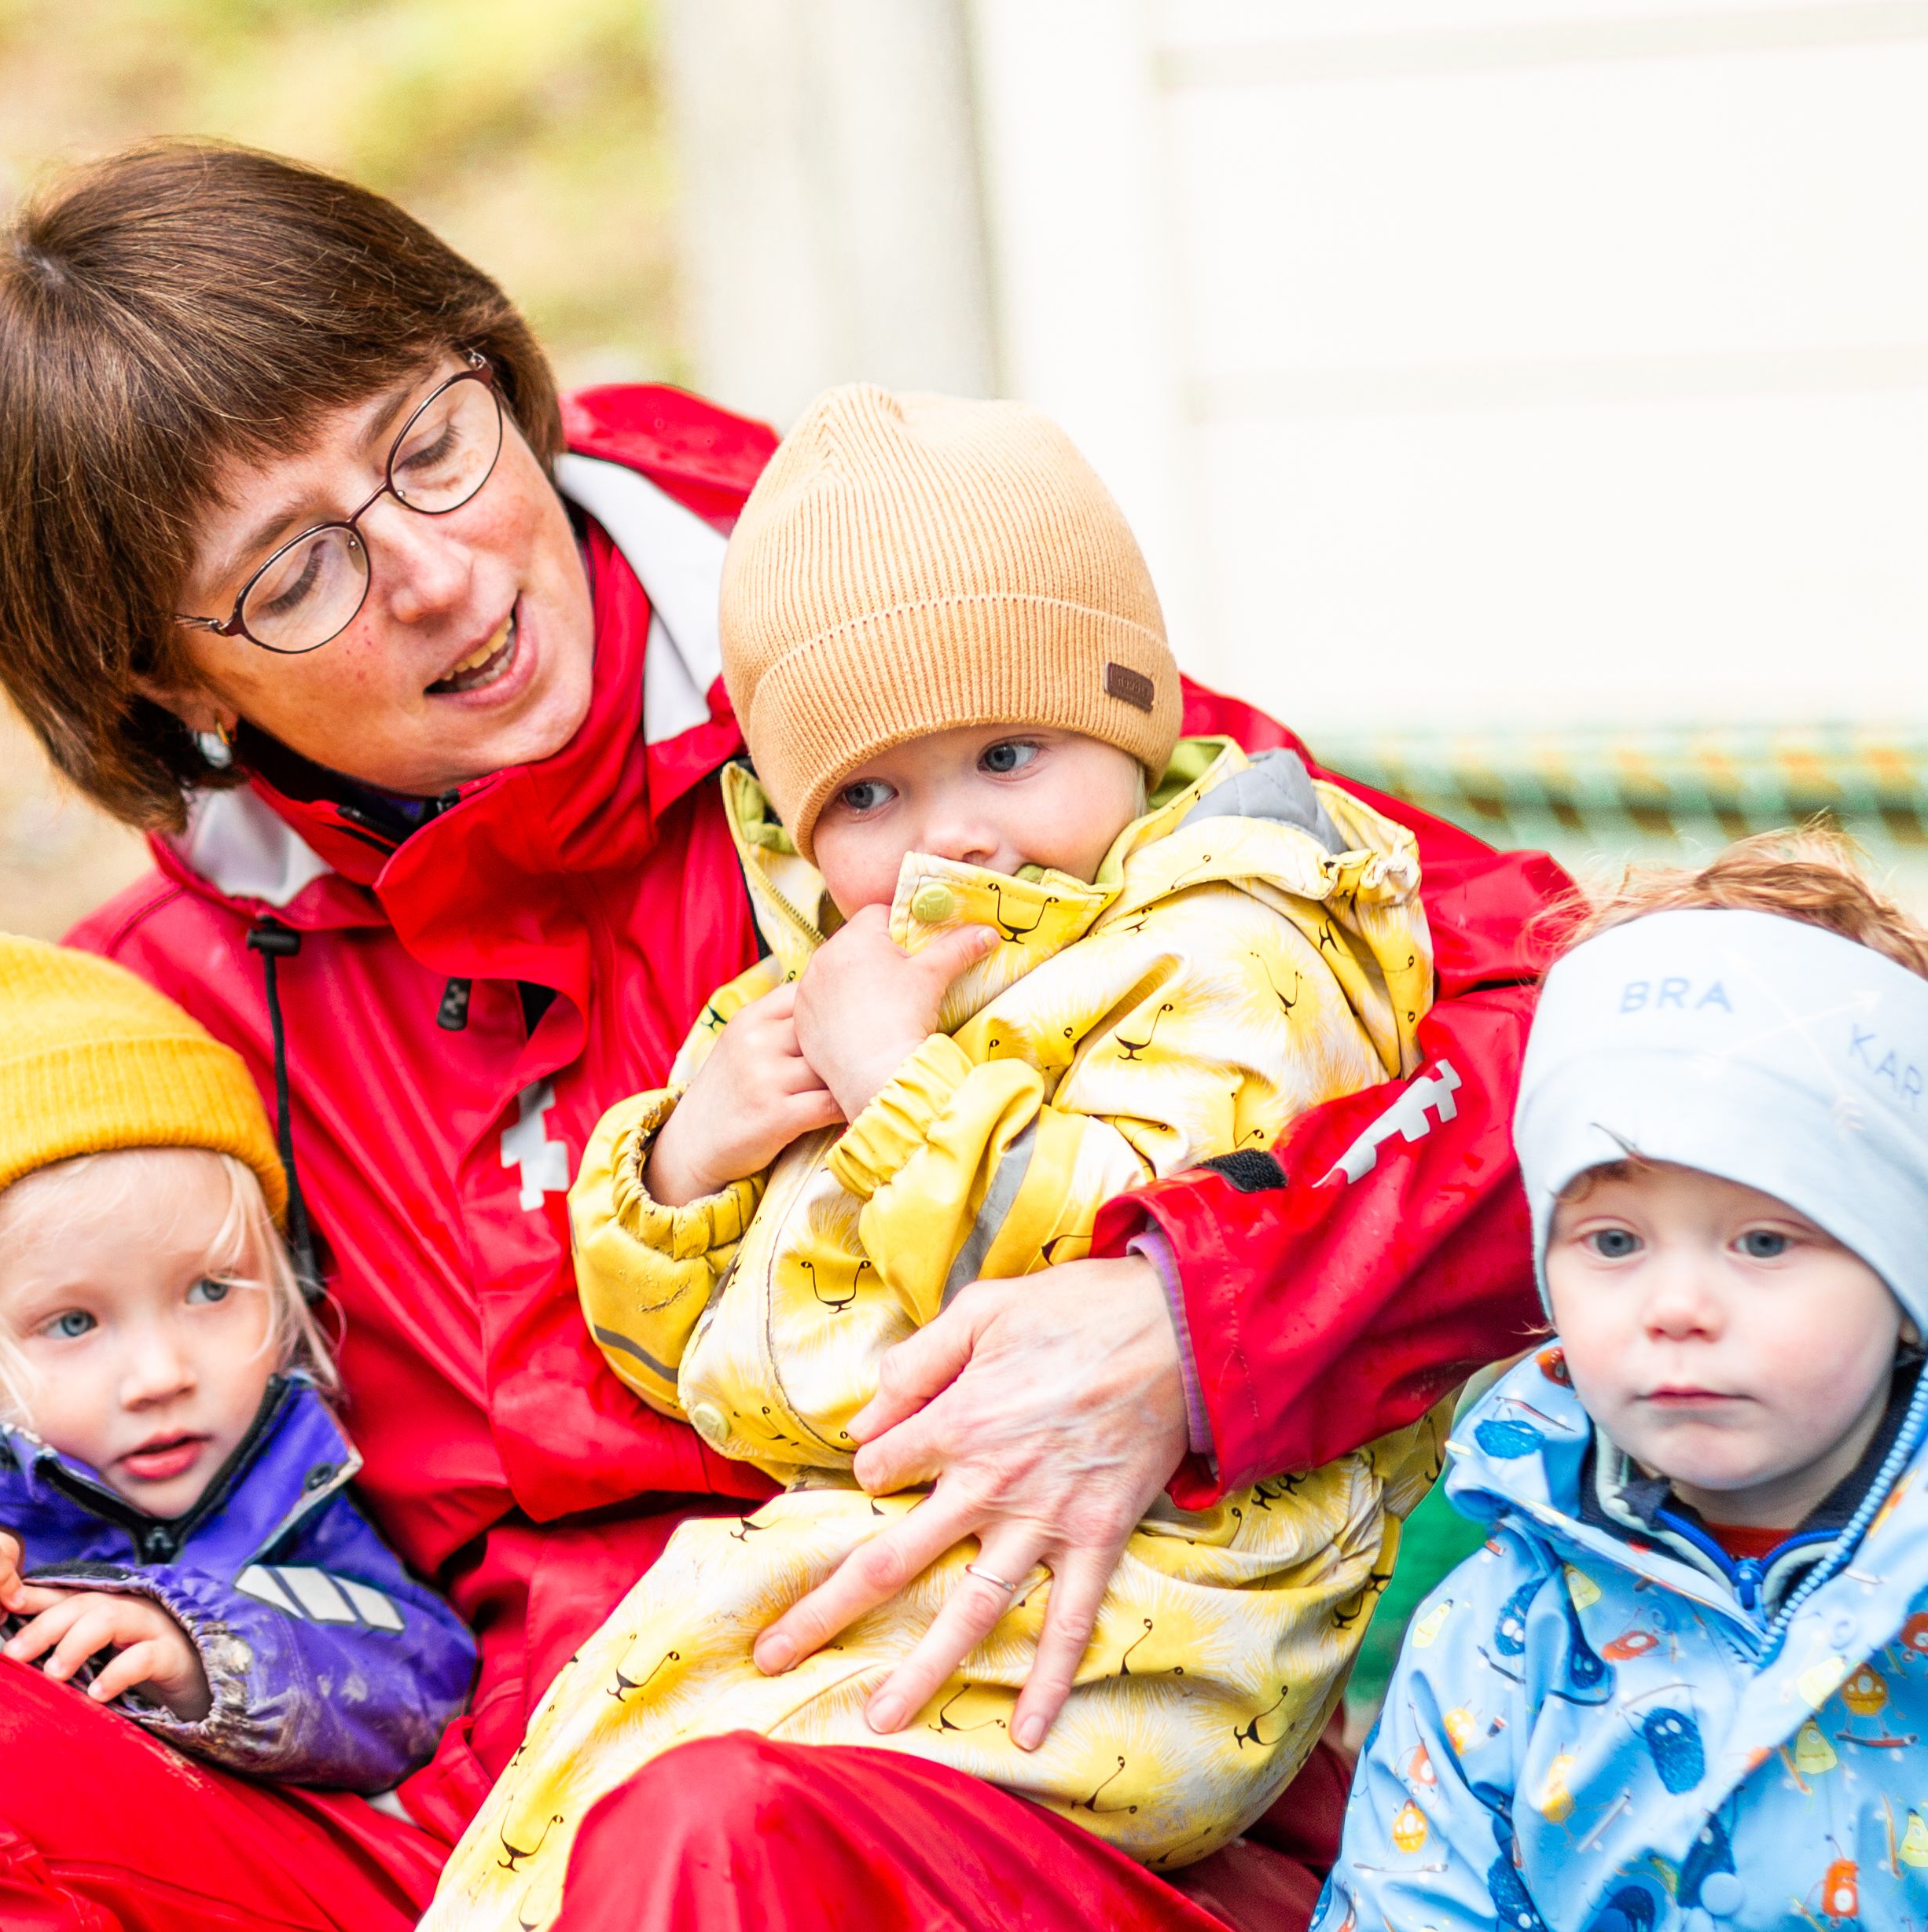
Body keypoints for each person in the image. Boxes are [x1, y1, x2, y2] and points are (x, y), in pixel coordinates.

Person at [0, 141, 1573, 1932]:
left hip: (968, 1774)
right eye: (293, 574)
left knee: (694, 1846)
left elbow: (1574, 1020)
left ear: (497, 361)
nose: (440, 570)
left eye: (430, 442)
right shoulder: (160, 1008)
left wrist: (1196, 1319)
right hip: (441, 1808)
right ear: (159, 685)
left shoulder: (903, 704)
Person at [429, 388, 1453, 1930]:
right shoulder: (839, 981)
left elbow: (1068, 1288)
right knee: (570, 1818)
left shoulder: (1235, 943)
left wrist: (894, 1083)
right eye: (870, 793)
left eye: (1006, 750)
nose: (956, 836)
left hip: (1145, 1600)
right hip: (893, 1548)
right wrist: (687, 1159)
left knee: (668, 1819)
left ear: (1131, 722)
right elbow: (700, 1363)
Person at [1315, 833, 1928, 1932]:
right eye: (1613, 1241)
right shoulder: (1500, 1630)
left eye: (1764, 1243)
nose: (1673, 1305)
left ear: (1907, 1264)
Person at [0, 925, 473, 1792]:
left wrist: (205, 1653)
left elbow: (426, 1675)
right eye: (73, 1324)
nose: (160, 1376)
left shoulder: (283, 1476)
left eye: (212, 1291)